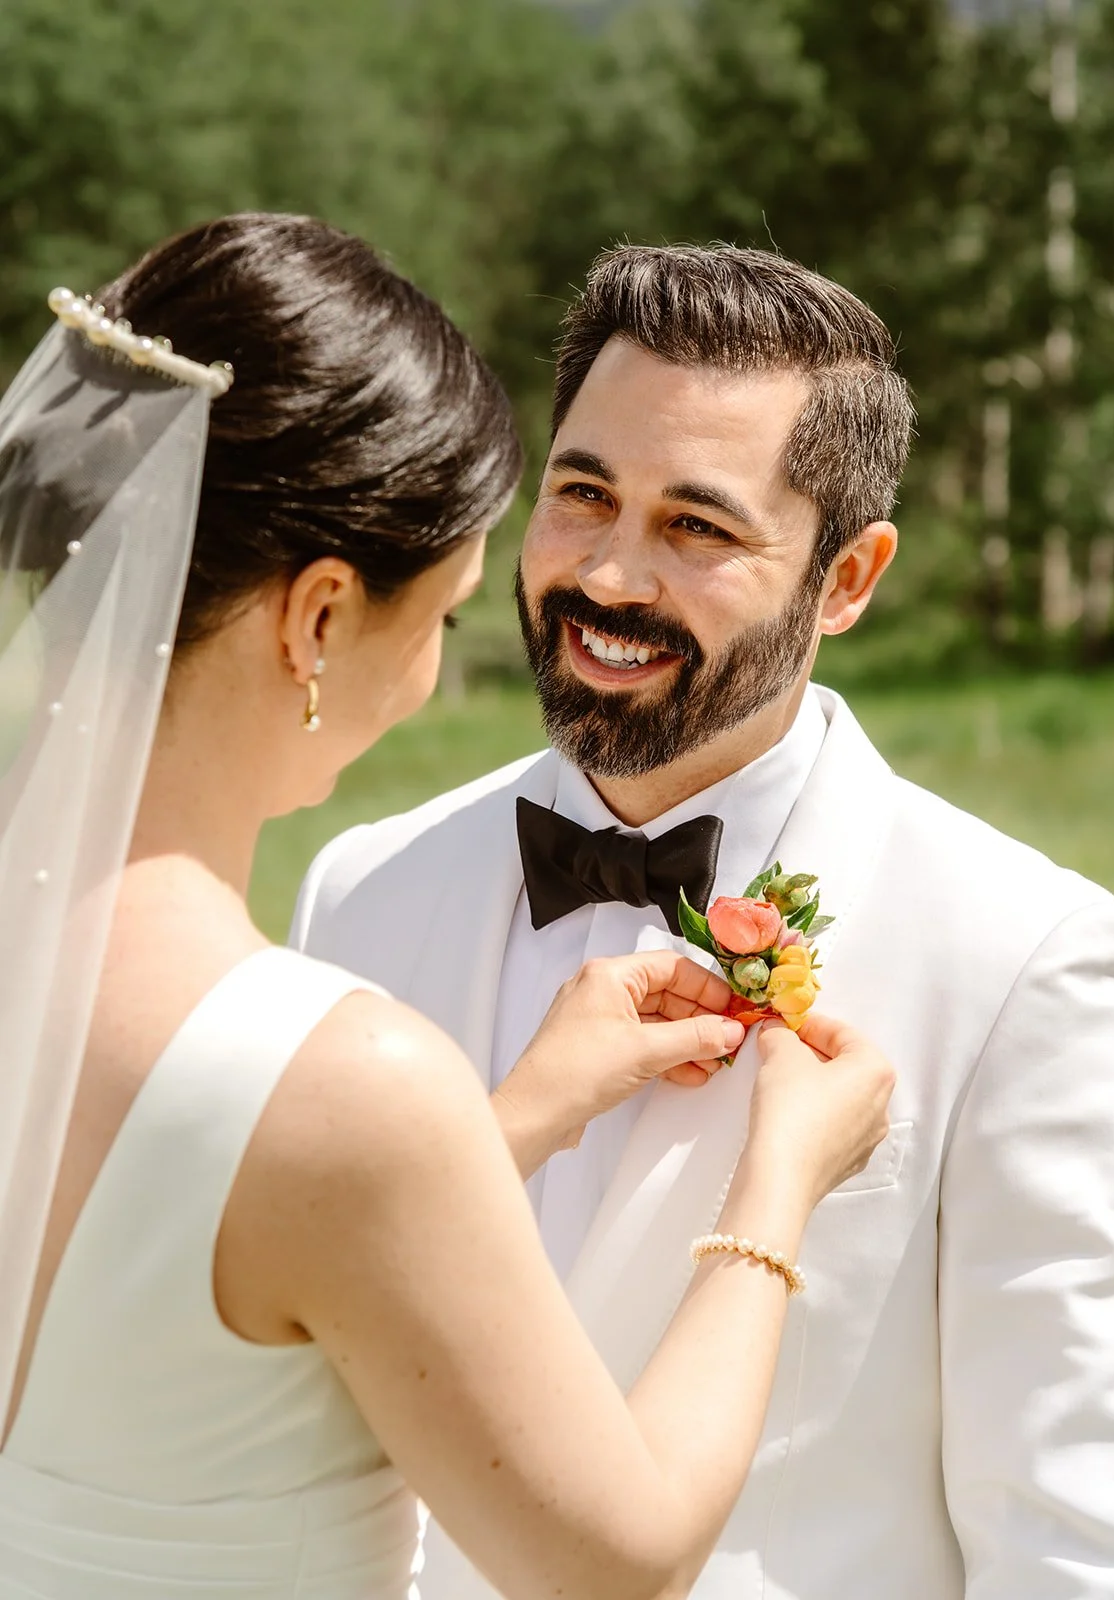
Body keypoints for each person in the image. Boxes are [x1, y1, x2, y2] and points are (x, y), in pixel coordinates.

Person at [0, 214, 895, 1600]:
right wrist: (778, 1180)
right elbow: (622, 1556)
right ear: (314, 621)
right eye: (440, 620)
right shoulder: (347, 1074)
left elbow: (190, 1282)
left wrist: (516, 1114)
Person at [294, 243, 1114, 1599]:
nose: (611, 579)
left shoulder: (1025, 964)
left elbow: (1070, 1536)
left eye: (696, 526)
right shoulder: (362, 887)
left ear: (848, 578)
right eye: (583, 496)